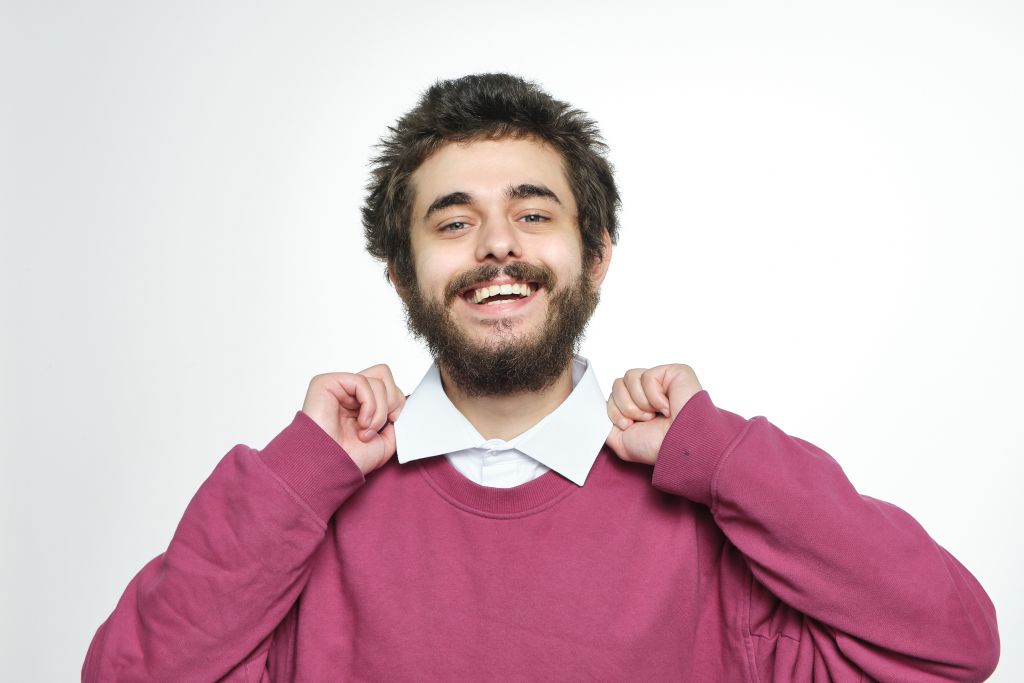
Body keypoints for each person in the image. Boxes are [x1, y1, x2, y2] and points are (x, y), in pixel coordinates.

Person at [83, 73, 1000, 682]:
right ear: (401, 274)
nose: (497, 244)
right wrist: (293, 477)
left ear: (595, 256)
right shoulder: (308, 523)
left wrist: (723, 457)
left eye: (533, 212)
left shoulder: (711, 528)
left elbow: (953, 642)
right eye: (453, 222)